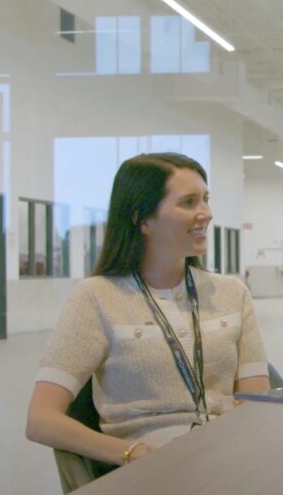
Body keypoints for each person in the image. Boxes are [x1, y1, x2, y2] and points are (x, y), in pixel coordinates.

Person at [26, 153, 270, 467]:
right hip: (145, 472)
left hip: (224, 461)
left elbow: (256, 403)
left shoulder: (232, 293)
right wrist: (131, 454)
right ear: (143, 220)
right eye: (188, 202)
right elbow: (41, 420)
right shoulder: (96, 297)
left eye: (206, 200)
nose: (206, 214)